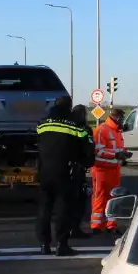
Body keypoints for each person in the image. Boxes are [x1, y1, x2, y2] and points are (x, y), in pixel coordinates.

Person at [35, 96, 93, 256]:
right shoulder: (76, 126)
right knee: (63, 209)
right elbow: (88, 153)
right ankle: (61, 245)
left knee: (44, 209)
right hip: (65, 172)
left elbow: (38, 146)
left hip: (45, 172)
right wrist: (83, 164)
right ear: (69, 107)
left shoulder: (42, 124)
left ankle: (44, 245)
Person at [91, 108, 131, 233]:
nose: (123, 122)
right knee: (100, 197)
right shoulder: (101, 130)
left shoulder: (116, 131)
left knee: (114, 197)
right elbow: (99, 151)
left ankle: (111, 225)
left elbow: (116, 149)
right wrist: (117, 154)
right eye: (122, 119)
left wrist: (123, 154)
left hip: (114, 169)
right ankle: (96, 226)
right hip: (101, 170)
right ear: (117, 117)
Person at [69, 105, 95, 239]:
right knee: (79, 200)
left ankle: (67, 228)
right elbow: (89, 148)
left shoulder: (67, 127)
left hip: (64, 168)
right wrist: (89, 162)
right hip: (78, 169)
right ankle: (75, 228)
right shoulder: (85, 129)